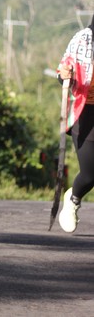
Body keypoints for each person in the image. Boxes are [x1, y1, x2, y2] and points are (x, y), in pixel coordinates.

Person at [57, 15, 94, 233]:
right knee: (90, 174)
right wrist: (64, 74)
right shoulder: (83, 40)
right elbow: (63, 72)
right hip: (85, 112)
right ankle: (73, 199)